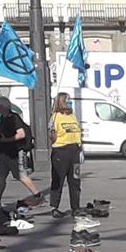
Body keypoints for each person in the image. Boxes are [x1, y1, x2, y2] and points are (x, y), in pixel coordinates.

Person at [0, 95, 41, 208]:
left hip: (14, 152)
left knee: (20, 175)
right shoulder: (3, 118)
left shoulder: (14, 117)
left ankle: (37, 194)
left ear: (3, 106)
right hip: (4, 153)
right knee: (1, 175)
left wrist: (6, 139)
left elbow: (21, 134)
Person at [48, 92, 83, 220]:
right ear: (60, 102)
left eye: (70, 100)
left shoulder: (73, 116)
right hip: (60, 151)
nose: (69, 102)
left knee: (75, 180)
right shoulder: (55, 117)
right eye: (67, 100)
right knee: (58, 180)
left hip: (74, 150)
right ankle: (54, 207)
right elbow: (52, 137)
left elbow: (78, 133)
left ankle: (76, 208)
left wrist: (80, 149)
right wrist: (52, 132)